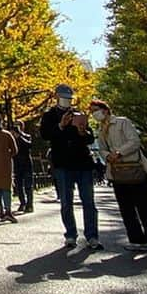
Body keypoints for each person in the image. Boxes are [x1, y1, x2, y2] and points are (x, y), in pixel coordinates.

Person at [89, 100, 147, 259]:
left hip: (135, 168)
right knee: (126, 208)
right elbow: (102, 148)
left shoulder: (122, 122)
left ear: (105, 110)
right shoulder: (101, 129)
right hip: (117, 172)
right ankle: (137, 239)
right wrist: (107, 156)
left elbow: (134, 141)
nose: (94, 114)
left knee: (145, 206)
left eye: (95, 110)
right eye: (92, 111)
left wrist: (118, 153)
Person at [40, 83, 101, 250]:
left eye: (69, 99)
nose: (67, 101)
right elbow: (45, 135)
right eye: (64, 98)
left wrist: (82, 131)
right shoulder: (49, 115)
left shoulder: (78, 114)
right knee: (66, 201)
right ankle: (71, 235)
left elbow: (90, 138)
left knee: (88, 201)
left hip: (82, 162)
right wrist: (60, 125)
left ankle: (92, 236)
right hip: (63, 163)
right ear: (56, 97)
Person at [13, 125, 34, 213]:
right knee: (19, 186)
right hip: (17, 165)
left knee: (28, 186)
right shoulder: (11, 139)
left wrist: (20, 137)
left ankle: (29, 204)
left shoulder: (26, 137)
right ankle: (22, 203)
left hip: (27, 164)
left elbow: (29, 146)